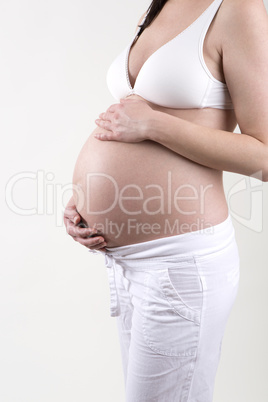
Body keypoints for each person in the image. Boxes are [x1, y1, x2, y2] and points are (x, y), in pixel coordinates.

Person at [64, 0, 268, 400]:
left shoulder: (239, 9)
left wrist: (155, 125)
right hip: (127, 264)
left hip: (180, 265)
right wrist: (84, 202)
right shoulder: (160, 5)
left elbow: (264, 155)